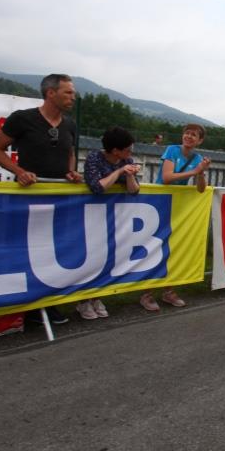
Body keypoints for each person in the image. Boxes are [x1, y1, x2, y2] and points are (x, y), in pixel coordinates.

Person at [0, 73, 83, 325]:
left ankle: (47, 304)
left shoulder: (70, 124)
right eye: (68, 92)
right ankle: (21, 306)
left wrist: (70, 171)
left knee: (53, 251)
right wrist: (19, 171)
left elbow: (70, 153)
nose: (73, 97)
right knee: (25, 250)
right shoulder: (22, 118)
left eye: (73, 93)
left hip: (58, 198)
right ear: (50, 93)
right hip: (27, 198)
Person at [142, 123, 212, 311]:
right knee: (155, 248)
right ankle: (147, 293)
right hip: (159, 204)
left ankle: (168, 290)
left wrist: (201, 172)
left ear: (199, 140)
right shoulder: (172, 150)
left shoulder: (197, 158)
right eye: (187, 133)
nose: (189, 137)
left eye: (193, 135)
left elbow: (201, 188)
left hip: (177, 206)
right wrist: (194, 171)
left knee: (174, 247)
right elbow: (166, 177)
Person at [77, 126, 142, 320]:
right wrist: (119, 171)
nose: (131, 153)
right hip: (89, 214)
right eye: (128, 150)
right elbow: (97, 187)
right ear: (115, 151)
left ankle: (97, 296)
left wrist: (129, 174)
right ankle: (83, 299)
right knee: (88, 257)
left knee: (106, 256)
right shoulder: (94, 158)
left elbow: (134, 191)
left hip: (113, 216)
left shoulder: (127, 161)